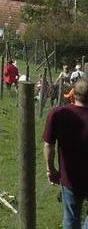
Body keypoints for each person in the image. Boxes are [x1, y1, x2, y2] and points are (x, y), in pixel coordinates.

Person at [44, 79, 88, 229]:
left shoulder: (58, 114)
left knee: (71, 217)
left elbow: (49, 145)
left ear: (73, 94)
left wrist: (51, 169)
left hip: (70, 177)